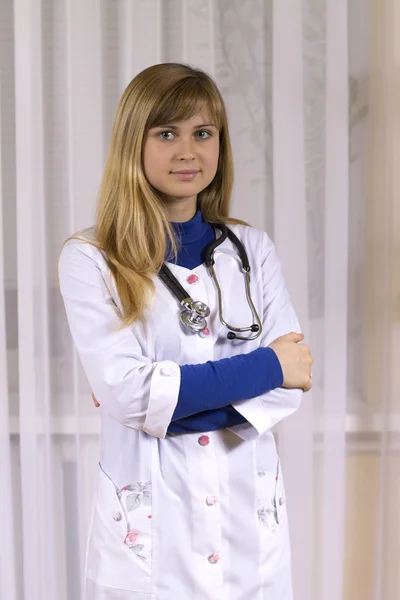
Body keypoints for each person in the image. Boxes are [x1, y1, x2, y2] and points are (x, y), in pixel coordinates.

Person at [58, 62, 313, 600]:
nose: (187, 152)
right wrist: (267, 366)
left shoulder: (253, 249)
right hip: (151, 537)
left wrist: (164, 404)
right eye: (166, 133)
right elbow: (128, 392)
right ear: (135, 143)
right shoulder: (91, 259)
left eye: (203, 133)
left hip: (250, 522)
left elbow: (294, 385)